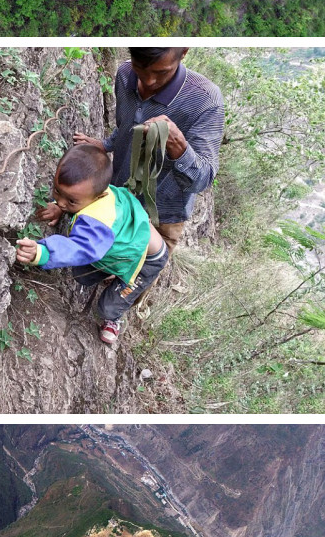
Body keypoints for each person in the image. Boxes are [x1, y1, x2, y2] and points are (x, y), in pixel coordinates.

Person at [16, 141, 168, 347]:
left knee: (107, 307)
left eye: (71, 201)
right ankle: (110, 270)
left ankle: (114, 318)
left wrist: (42, 252)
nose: (61, 202)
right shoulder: (93, 193)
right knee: (82, 275)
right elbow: (72, 203)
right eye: (57, 192)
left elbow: (81, 248)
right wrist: (61, 208)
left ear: (99, 196)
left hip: (144, 260)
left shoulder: (100, 221)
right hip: (125, 241)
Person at [102, 47, 224, 251]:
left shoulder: (205, 100)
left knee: (139, 270)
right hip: (118, 198)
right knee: (102, 259)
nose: (149, 81)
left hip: (161, 217)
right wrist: (105, 145)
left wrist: (178, 145)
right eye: (140, 68)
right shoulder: (125, 74)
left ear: (184, 52)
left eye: (161, 72)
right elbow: (125, 125)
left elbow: (202, 179)